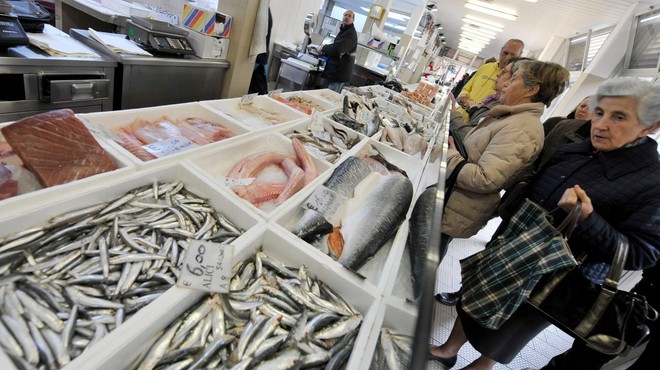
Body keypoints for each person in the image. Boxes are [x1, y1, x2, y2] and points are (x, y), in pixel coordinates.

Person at [429, 77, 660, 370]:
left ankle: (478, 367)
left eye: (619, 117)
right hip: (514, 244)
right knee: (473, 299)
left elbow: (643, 254)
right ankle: (449, 349)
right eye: (600, 112)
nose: (601, 124)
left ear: (650, 127)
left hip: (557, 275)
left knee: (508, 331)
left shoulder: (651, 183)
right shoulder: (580, 146)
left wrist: (589, 220)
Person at [438, 60, 569, 262]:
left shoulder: (522, 129)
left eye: (514, 79)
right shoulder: (508, 116)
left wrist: (450, 155)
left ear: (531, 89)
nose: (506, 82)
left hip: (455, 207)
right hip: (450, 199)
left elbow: (485, 178)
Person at [449, 57, 529, 141]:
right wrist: (472, 108)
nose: (497, 75)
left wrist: (454, 114)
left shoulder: (502, 110)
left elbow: (471, 139)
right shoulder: (494, 102)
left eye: (504, 72)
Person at [455, 39, 525, 120]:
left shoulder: (514, 78)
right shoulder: (486, 67)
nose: (508, 57)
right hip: (459, 115)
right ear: (501, 50)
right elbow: (467, 88)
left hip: (478, 121)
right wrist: (463, 96)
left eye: (513, 55)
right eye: (505, 53)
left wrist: (475, 108)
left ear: (520, 55)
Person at [320, 10, 357, 93]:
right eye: (345, 15)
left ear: (353, 20)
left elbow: (337, 49)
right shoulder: (344, 30)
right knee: (325, 96)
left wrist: (324, 48)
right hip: (335, 71)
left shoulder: (350, 34)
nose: (346, 17)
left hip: (338, 74)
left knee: (328, 98)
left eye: (349, 16)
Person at [248, 8, 273, 95]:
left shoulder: (262, 10)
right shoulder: (265, 9)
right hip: (260, 58)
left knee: (258, 97)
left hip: (258, 60)